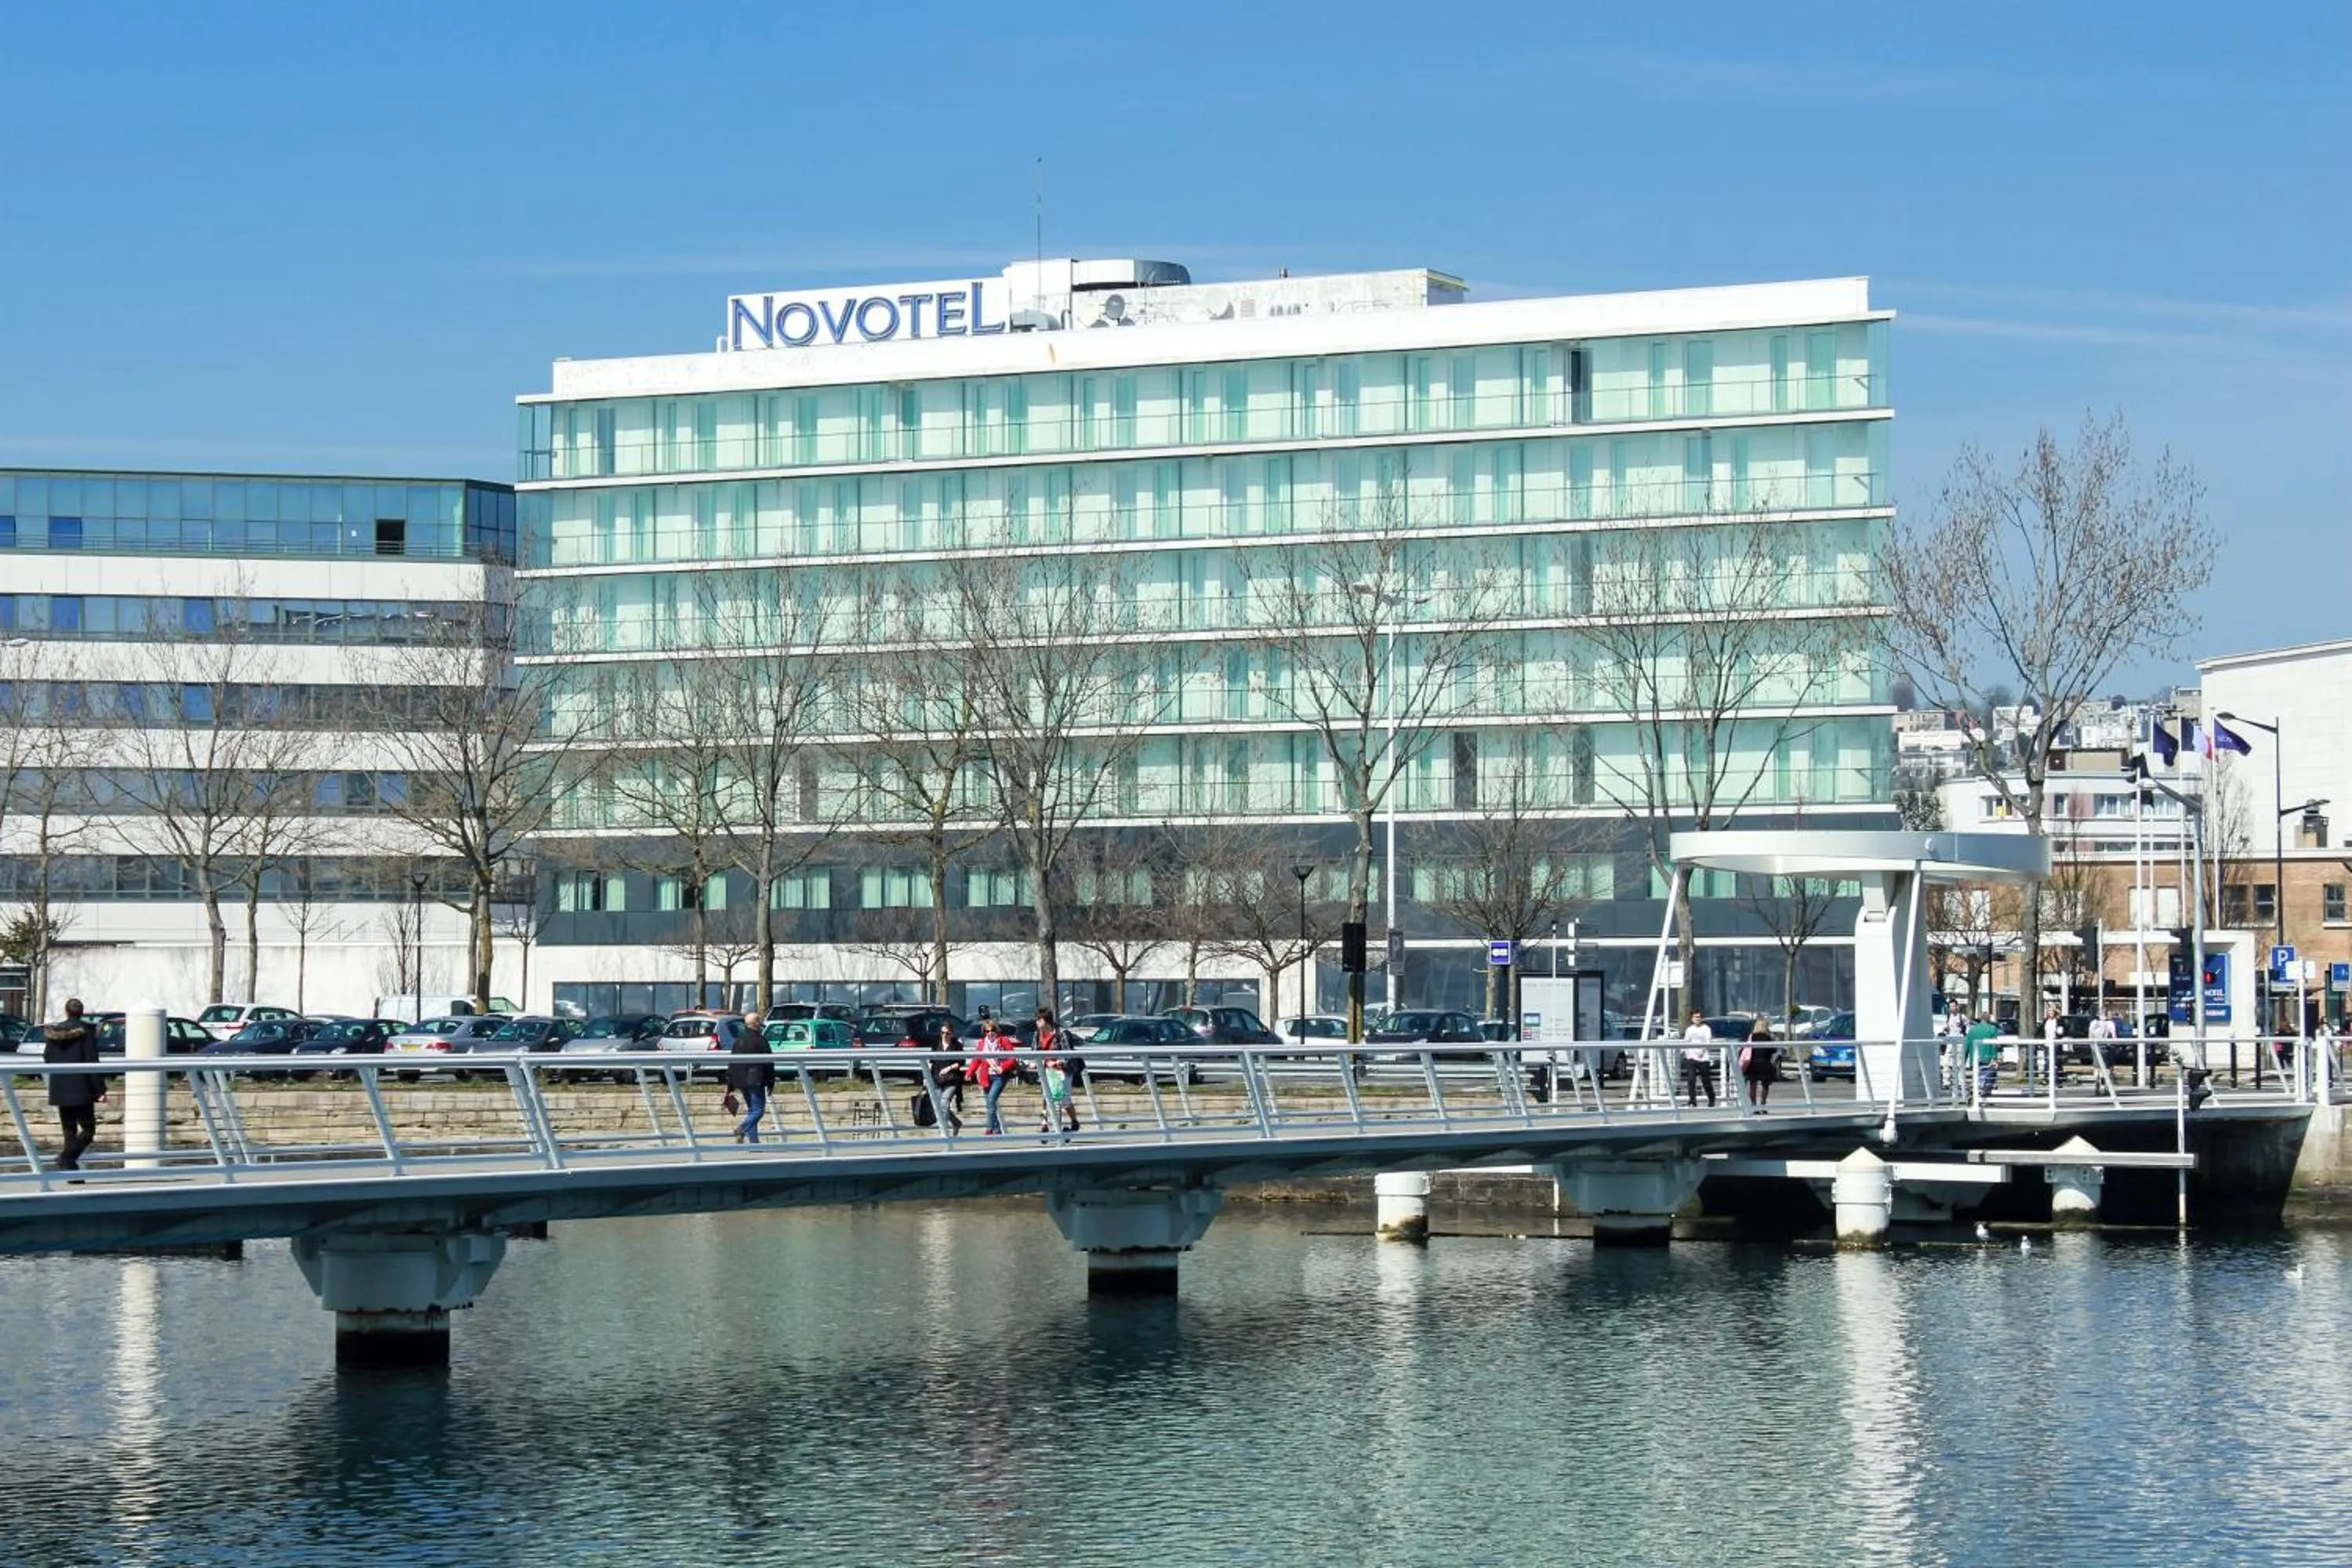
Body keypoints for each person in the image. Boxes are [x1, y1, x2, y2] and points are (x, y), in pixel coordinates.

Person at [42, 997, 103, 1173]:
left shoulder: (54, 1032)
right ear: (81, 1012)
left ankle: (72, 1173)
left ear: (66, 1011)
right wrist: (100, 1089)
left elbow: (47, 1058)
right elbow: (91, 1061)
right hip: (82, 1087)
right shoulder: (86, 1031)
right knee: (88, 1130)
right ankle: (66, 1158)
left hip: (60, 1087)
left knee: (69, 1131)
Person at [727, 1014, 776, 1144]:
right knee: (758, 1110)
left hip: (741, 1081)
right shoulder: (761, 1040)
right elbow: (768, 1063)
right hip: (756, 1079)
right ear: (756, 1024)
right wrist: (771, 1081)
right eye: (760, 1022)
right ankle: (742, 1128)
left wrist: (730, 1085)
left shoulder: (738, 1041)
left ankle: (754, 1141)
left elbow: (732, 1063)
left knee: (752, 1111)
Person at [1035, 1007, 1080, 1135]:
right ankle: (1045, 1124)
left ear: (1046, 1020)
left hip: (1063, 1071)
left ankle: (1074, 1121)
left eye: (1039, 1020)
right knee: (1047, 1097)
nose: (1037, 1023)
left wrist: (1061, 1062)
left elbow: (1068, 1053)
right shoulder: (1037, 1035)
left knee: (1064, 1100)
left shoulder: (1061, 1034)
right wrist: (1044, 1062)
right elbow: (1035, 1052)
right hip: (1048, 1069)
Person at [970, 1017, 1018, 1135]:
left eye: (992, 1030)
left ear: (997, 1031)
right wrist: (969, 1072)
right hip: (986, 1076)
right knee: (989, 1104)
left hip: (999, 1076)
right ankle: (997, 1130)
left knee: (991, 1100)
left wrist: (1002, 1067)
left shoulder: (1004, 1041)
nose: (990, 1033)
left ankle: (989, 1128)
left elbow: (1012, 1058)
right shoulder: (982, 1044)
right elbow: (976, 1059)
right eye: (987, 1031)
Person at [1679, 1010, 1717, 1108]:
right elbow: (1686, 1042)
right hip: (1691, 1058)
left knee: (1706, 1080)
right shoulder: (1689, 1030)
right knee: (1691, 1080)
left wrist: (1703, 1052)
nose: (1698, 1019)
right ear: (1692, 1019)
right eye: (1696, 1017)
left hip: (1703, 1058)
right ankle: (1692, 1100)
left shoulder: (1706, 1028)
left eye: (1699, 1017)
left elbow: (1708, 1041)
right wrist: (1684, 1052)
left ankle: (1711, 1097)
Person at [1740, 1016, 1777, 1110]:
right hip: (1765, 1063)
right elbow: (1773, 1050)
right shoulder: (1768, 1037)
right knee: (1765, 1085)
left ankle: (1753, 1106)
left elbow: (1745, 1049)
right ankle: (1763, 1104)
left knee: (1753, 1085)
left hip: (1753, 1064)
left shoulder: (1752, 1037)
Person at [1965, 1014, 2002, 1098]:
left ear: (1980, 1020)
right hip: (1988, 1058)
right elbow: (1994, 1045)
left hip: (1975, 1059)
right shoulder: (1992, 1029)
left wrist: (1964, 1059)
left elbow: (1967, 1046)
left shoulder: (1972, 1031)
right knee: (1988, 1079)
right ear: (1989, 1020)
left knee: (1977, 1077)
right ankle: (1985, 1096)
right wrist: (1995, 1058)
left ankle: (1976, 1095)